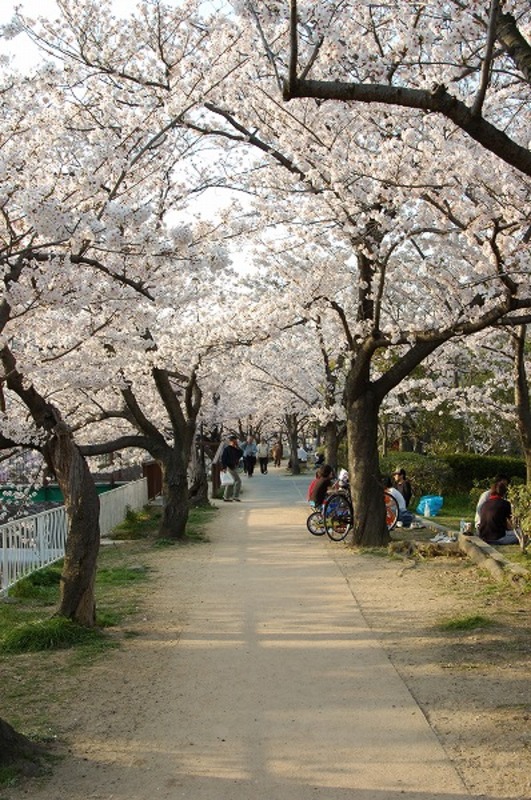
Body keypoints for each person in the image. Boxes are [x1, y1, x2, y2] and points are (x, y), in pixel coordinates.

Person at [478, 480, 519, 545]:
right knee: (521, 534)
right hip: (498, 538)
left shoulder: (484, 504)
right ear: (504, 493)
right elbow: (511, 524)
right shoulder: (505, 504)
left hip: (483, 537)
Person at [221, 435, 243, 502]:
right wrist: (224, 467)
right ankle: (235, 496)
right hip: (229, 467)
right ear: (230, 441)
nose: (235, 443)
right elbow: (223, 459)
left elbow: (241, 453)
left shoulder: (235, 449)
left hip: (233, 466)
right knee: (238, 481)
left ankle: (226, 497)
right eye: (233, 441)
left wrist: (237, 447)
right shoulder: (227, 449)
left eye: (235, 441)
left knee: (231, 481)